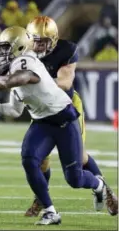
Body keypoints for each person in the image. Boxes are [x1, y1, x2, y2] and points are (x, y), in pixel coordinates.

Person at [0, 26, 117, 225]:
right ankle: (50, 211)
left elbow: (11, 81)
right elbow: (14, 110)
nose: (1, 53)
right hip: (42, 122)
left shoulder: (26, 62)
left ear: (19, 47)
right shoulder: (15, 66)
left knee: (74, 179)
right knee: (29, 159)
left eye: (6, 48)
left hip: (63, 119)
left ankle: (99, 185)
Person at [24, 15, 117, 217]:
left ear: (54, 40)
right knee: (39, 160)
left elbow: (64, 83)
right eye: (35, 41)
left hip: (67, 106)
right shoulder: (23, 52)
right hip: (41, 109)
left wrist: (33, 81)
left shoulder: (66, 50)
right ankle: (41, 199)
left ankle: (105, 189)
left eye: (44, 42)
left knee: (80, 157)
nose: (39, 46)